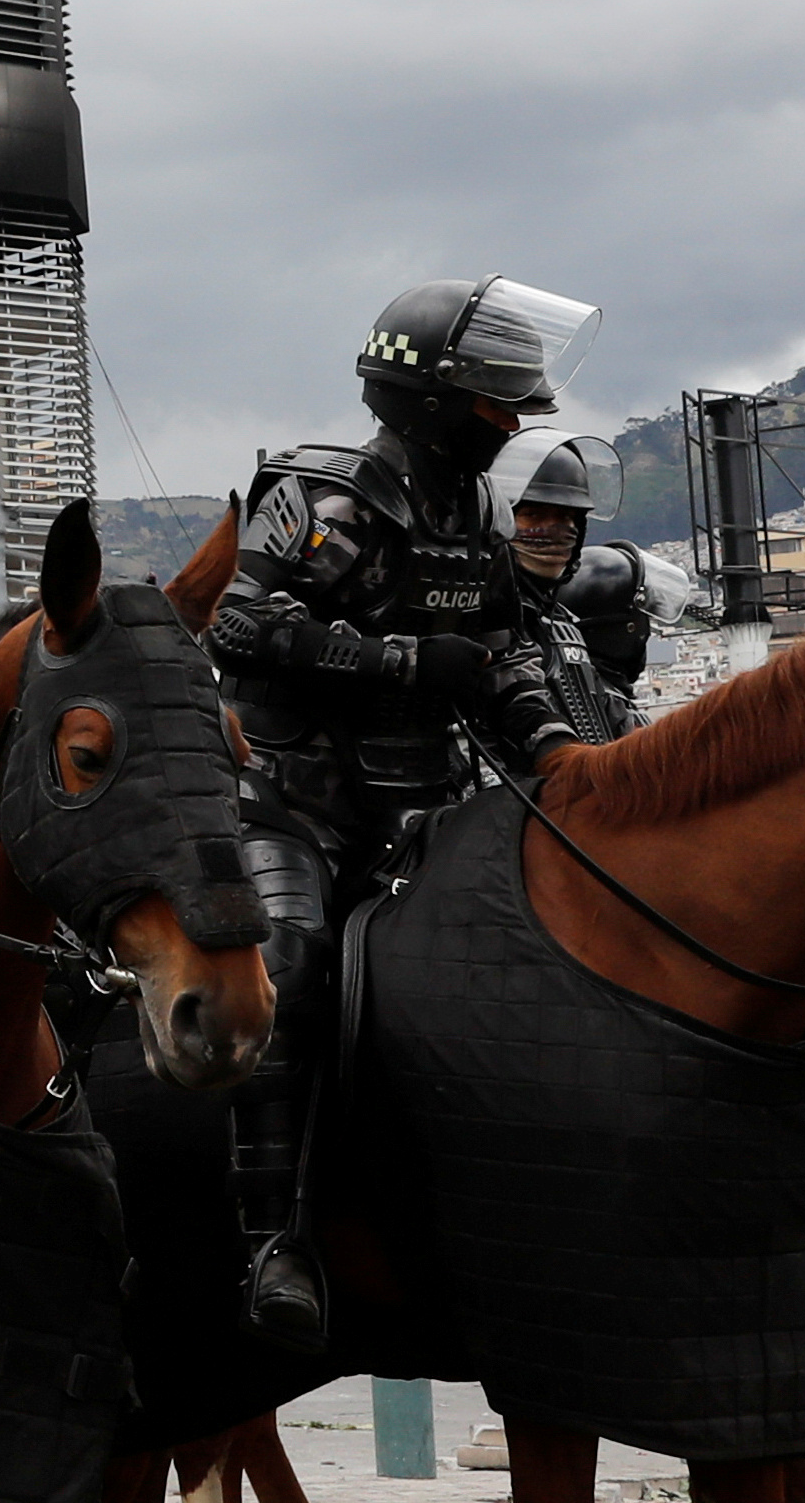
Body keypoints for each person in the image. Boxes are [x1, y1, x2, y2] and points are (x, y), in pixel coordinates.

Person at [206, 276, 601, 1353]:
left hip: (425, 806)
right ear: (431, 399)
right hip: (294, 801)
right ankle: (271, 1241)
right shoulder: (322, 495)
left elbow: (504, 649)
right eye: (495, 401)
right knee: (285, 958)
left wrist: (558, 746)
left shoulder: (475, 512)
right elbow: (238, 625)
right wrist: (396, 657)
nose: (513, 420)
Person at [490, 431, 651, 739]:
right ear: (499, 517)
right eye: (534, 514)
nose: (556, 529)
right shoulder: (474, 614)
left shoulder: (563, 625)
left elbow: (613, 724)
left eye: (567, 516)